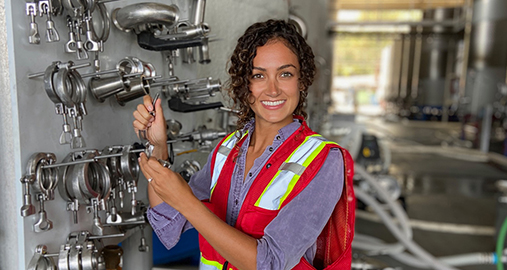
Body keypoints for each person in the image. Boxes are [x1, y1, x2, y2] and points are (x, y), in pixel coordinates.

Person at [133, 19, 355, 270]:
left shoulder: (324, 160)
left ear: (301, 82)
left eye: (285, 74)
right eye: (258, 75)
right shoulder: (227, 149)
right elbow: (169, 217)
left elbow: (270, 263)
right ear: (245, 86)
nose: (272, 90)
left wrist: (187, 202)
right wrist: (158, 147)